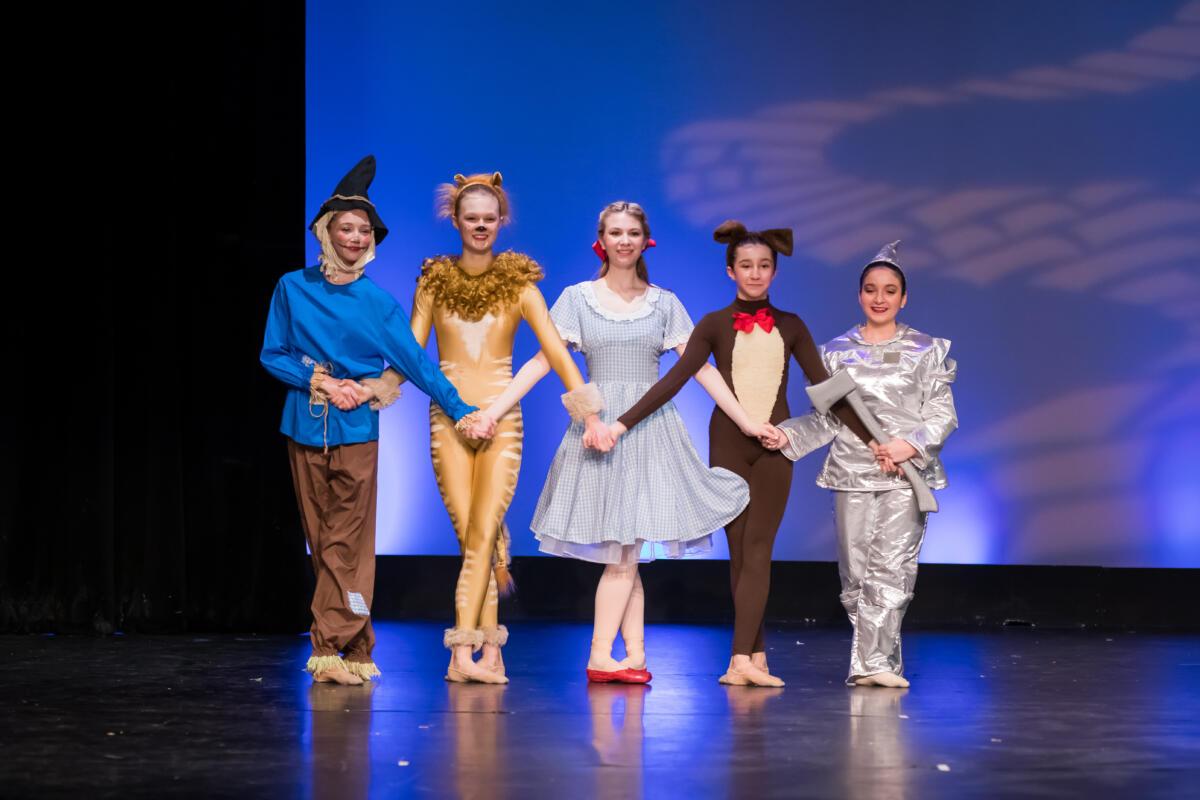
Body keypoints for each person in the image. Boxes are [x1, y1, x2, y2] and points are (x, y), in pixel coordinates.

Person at [483, 201, 757, 683]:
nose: (624, 240)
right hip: (599, 430)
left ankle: (634, 657)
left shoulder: (664, 303)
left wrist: (748, 422)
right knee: (623, 555)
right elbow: (543, 362)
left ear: (645, 240)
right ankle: (599, 657)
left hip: (649, 429)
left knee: (628, 553)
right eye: (615, 232)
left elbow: (701, 369)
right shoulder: (578, 298)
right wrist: (493, 410)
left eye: (632, 232)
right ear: (601, 241)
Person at [612, 220, 878, 687]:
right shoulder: (714, 324)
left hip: (775, 445)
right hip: (729, 443)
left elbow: (827, 391)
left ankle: (741, 659)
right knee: (738, 553)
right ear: (730, 271)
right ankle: (753, 657)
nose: (755, 273)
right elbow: (675, 380)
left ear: (774, 271)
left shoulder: (792, 326)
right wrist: (621, 423)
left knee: (758, 548)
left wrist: (873, 441)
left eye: (764, 266)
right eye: (747, 266)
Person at [260, 156, 490, 686]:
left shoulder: (377, 303)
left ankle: (326, 649)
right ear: (326, 230)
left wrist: (460, 410)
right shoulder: (292, 288)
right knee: (324, 542)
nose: (356, 238)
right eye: (347, 228)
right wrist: (320, 381)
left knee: (347, 539)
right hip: (304, 423)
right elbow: (272, 354)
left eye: (364, 231)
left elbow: (417, 364)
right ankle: (359, 645)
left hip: (356, 429)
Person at [373, 173, 604, 684]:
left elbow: (556, 351)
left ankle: (462, 653)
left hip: (501, 420)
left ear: (502, 221)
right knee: (471, 537)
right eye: (471, 218)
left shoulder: (520, 284)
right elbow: (412, 354)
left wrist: (589, 413)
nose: (480, 226)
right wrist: (375, 390)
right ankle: (491, 655)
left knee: (481, 534)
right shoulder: (433, 282)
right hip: (449, 418)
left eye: (489, 219)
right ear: (455, 221)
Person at [774, 242, 957, 688]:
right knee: (855, 576)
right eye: (871, 289)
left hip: (903, 474)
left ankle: (876, 665)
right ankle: (874, 659)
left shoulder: (925, 349)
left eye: (890, 290)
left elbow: (941, 413)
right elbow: (826, 420)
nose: (880, 298)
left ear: (903, 298)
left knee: (891, 568)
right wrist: (785, 435)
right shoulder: (835, 353)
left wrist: (908, 445)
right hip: (851, 473)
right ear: (859, 295)